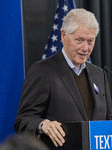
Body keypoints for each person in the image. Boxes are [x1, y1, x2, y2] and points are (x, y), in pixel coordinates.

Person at [14, 8, 112, 148]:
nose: (85, 48)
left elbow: (108, 120)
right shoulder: (43, 71)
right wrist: (42, 125)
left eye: (90, 41)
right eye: (79, 40)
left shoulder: (99, 74)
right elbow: (22, 121)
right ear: (63, 36)